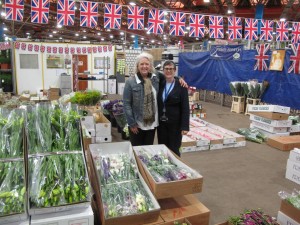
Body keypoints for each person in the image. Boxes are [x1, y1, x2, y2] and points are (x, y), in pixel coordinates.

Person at [123, 52, 160, 146]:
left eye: (147, 64)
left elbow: (170, 76)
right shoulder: (131, 82)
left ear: (150, 66)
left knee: (148, 149)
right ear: (137, 66)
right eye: (142, 64)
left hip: (152, 123)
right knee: (137, 149)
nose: (144, 66)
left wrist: (179, 78)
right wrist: (131, 123)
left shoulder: (155, 78)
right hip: (137, 124)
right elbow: (126, 104)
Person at [157, 60, 190, 157]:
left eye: (171, 69)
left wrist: (185, 126)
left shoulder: (181, 86)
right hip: (161, 124)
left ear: (175, 71)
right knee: (162, 147)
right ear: (163, 71)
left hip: (175, 125)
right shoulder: (160, 84)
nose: (168, 71)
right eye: (166, 69)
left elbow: (185, 107)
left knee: (174, 148)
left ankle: (175, 169)